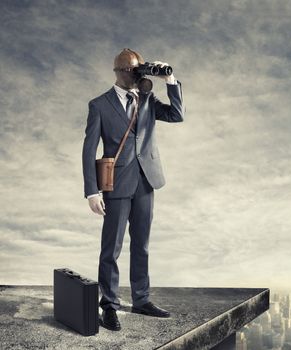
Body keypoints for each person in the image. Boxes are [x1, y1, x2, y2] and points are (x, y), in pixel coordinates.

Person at [82, 48, 184, 331]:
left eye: (140, 70)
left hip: (146, 181)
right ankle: (109, 306)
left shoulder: (148, 100)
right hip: (116, 184)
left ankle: (141, 299)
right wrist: (92, 191)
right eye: (133, 71)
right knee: (110, 249)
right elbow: (89, 148)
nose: (137, 75)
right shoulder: (99, 105)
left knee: (142, 245)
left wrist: (171, 80)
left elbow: (177, 115)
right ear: (120, 72)